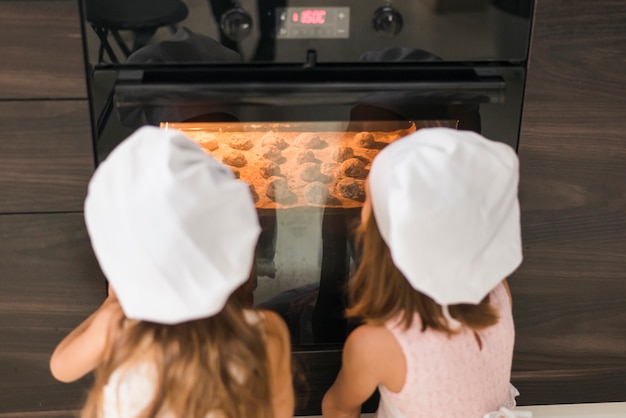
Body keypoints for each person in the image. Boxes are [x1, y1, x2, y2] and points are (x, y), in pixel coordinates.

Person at [49, 126, 294, 418]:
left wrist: (114, 303)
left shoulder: (116, 328)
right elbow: (278, 412)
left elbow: (61, 367)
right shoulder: (268, 332)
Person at [322, 127, 528, 418]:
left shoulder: (376, 344)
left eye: (368, 197)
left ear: (380, 240)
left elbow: (338, 407)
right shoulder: (499, 292)